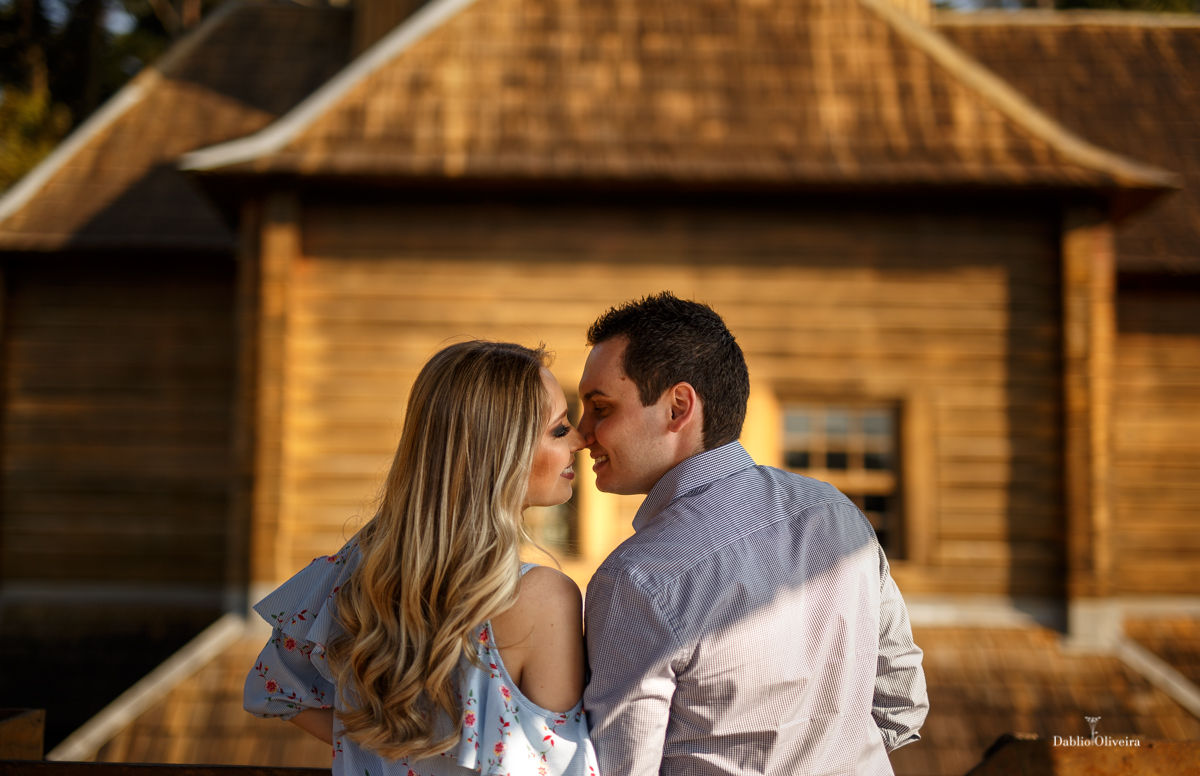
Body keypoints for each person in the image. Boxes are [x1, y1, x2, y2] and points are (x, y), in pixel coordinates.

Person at [578, 293, 928, 776]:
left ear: (678, 406)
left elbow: (621, 768)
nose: (582, 432)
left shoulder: (639, 579)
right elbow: (902, 703)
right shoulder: (837, 514)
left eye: (600, 407)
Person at [244, 341, 598, 776]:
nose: (580, 440)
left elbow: (273, 686)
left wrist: (378, 749)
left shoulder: (359, 569)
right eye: (560, 429)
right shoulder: (544, 597)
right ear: (501, 452)